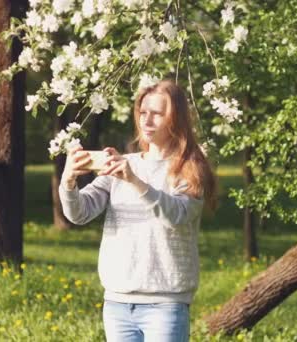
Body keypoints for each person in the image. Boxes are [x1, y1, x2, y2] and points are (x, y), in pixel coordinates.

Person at [59, 79, 217, 342]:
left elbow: (177, 215)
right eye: (143, 112)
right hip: (117, 303)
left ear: (175, 118)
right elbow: (80, 213)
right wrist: (69, 180)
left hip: (165, 304)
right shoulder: (124, 164)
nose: (147, 120)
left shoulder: (189, 169)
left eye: (157, 113)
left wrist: (134, 180)